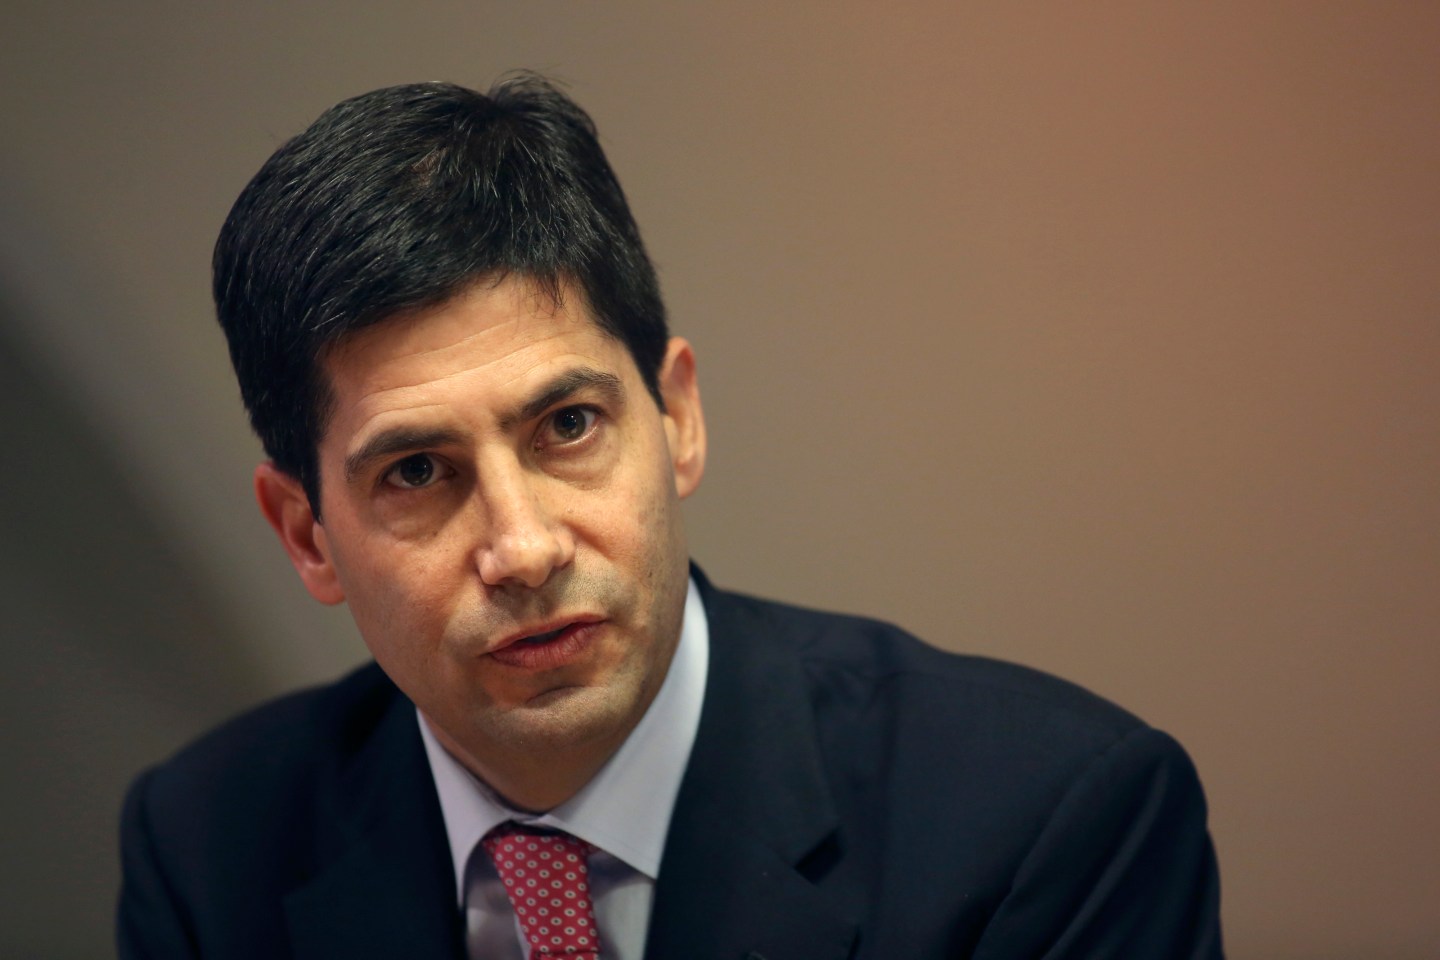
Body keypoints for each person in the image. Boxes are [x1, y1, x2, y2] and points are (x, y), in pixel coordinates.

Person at [117, 74, 1223, 960]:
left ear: (676, 416)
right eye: (416, 472)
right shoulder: (209, 847)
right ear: (307, 534)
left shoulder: (1051, 824)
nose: (525, 548)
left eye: (568, 427)